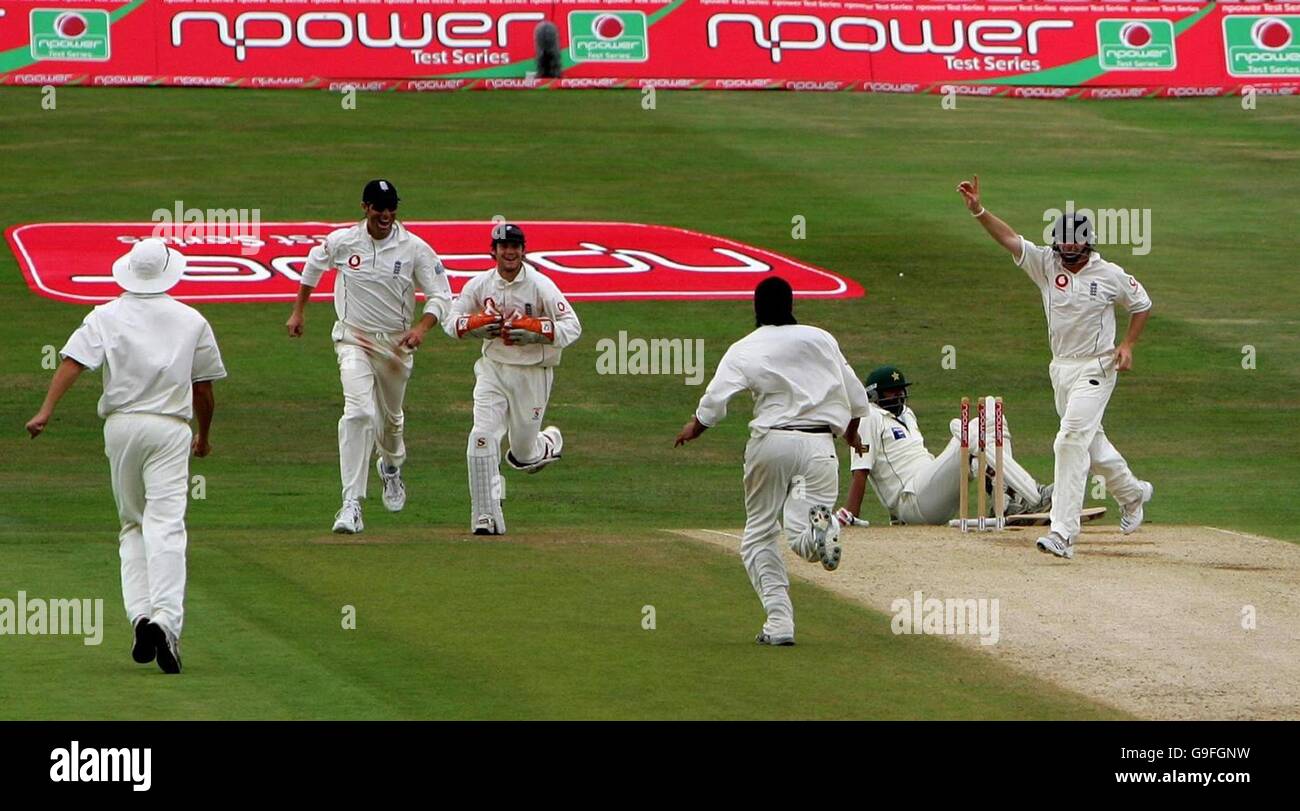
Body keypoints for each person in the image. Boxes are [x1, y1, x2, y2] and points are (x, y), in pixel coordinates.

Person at [26, 238, 227, 674]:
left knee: (132, 526)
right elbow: (204, 389)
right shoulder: (191, 320)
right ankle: (165, 623)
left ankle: (140, 617)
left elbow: (73, 362)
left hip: (120, 429)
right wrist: (204, 437)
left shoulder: (106, 315)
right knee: (167, 526)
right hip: (170, 429)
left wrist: (45, 411)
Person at [957, 175, 1153, 560]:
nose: (1065, 249)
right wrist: (978, 210)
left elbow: (1141, 303)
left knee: (1068, 441)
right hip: (1061, 370)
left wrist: (1128, 345)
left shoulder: (1109, 274)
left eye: (1072, 243)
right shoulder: (1047, 265)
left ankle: (1063, 532)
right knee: (1090, 445)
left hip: (1098, 367)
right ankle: (1133, 494)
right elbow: (1011, 239)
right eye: (1060, 242)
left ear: (1086, 242)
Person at [675, 277, 868, 646]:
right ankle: (822, 533)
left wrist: (695, 428)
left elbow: (716, 400)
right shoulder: (821, 338)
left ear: (756, 308)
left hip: (772, 443)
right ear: (792, 304)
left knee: (759, 534)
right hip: (819, 445)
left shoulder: (745, 347)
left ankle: (780, 624)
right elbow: (856, 396)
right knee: (802, 539)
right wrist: (851, 434)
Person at [285, 179, 452, 534]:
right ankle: (351, 504)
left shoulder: (415, 249)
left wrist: (421, 329)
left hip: (396, 347)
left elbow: (441, 296)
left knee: (391, 423)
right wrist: (299, 311)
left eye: (391, 208)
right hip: (353, 338)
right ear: (365, 207)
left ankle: (391, 467)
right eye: (379, 208)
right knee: (358, 412)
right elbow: (314, 267)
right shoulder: (343, 241)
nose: (386, 215)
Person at [445, 223, 582, 535]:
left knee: (522, 455)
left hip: (532, 373)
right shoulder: (479, 285)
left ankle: (546, 444)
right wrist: (474, 327)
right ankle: (485, 515)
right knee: (482, 437)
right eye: (504, 246)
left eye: (516, 246)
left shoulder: (540, 285)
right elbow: (450, 322)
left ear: (523, 251)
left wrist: (536, 330)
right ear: (492, 251)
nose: (510, 251)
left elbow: (573, 327)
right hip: (492, 369)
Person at [835, 365, 1052, 527]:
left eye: (901, 390)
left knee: (992, 418)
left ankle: (1006, 502)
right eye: (892, 391)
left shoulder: (907, 415)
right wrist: (851, 515)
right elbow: (861, 471)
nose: (899, 395)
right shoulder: (869, 417)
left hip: (932, 493)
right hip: (912, 501)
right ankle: (1034, 495)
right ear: (873, 395)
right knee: (965, 431)